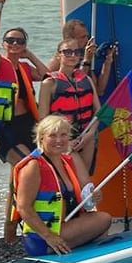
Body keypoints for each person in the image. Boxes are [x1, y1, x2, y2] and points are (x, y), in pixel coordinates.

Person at [0, 0, 48, 242]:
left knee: (20, 176)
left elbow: (46, 76)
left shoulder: (23, 67)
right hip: (5, 128)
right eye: (10, 40)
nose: (14, 44)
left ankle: (11, 230)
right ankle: (19, 226)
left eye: (19, 41)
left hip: (28, 126)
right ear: (4, 43)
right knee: (26, 169)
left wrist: (29, 54)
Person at [13, 115, 113, 256]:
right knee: (103, 219)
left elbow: (84, 198)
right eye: (52, 136)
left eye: (63, 135)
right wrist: (49, 236)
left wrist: (95, 195)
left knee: (100, 222)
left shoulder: (67, 161)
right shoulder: (33, 166)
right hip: (42, 238)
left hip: (65, 227)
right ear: (41, 138)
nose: (59, 140)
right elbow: (23, 208)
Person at [38, 38, 99, 168]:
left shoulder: (86, 79)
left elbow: (99, 112)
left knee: (84, 181)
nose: (73, 55)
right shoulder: (49, 83)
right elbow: (43, 120)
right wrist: (62, 141)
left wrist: (90, 134)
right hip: (62, 140)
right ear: (58, 55)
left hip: (86, 137)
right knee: (76, 180)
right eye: (67, 52)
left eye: (77, 52)